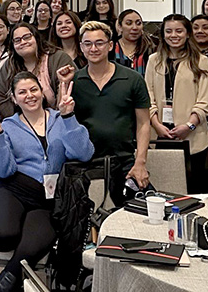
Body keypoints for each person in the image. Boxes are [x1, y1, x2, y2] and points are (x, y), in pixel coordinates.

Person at [0, 72, 94, 292]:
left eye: (33, 90)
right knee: (3, 238)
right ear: (14, 98)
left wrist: (69, 117)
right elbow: (3, 170)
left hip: (48, 200)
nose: (29, 96)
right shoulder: (8, 125)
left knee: (31, 246)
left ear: (42, 92)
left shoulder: (61, 119)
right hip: (12, 188)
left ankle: (0, 287)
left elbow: (84, 153)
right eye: (22, 92)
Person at [59, 21, 150, 204]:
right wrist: (63, 86)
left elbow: (144, 124)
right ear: (81, 47)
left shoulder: (132, 79)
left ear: (110, 46)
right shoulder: (73, 81)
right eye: (88, 44)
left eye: (99, 43)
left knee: (145, 211)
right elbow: (63, 122)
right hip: (84, 163)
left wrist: (140, 162)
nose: (93, 48)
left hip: (123, 161)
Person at [145, 15, 208, 192]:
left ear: (188, 33)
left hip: (193, 137)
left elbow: (204, 100)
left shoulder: (201, 61)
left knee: (193, 190)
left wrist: (189, 125)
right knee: (162, 190)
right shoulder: (154, 60)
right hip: (160, 134)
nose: (173, 35)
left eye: (179, 31)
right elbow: (148, 95)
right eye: (169, 31)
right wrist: (156, 124)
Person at [0, 23, 74, 118]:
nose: (23, 42)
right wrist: (19, 121)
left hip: (59, 119)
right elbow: (0, 97)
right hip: (23, 125)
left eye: (27, 37)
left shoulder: (58, 58)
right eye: (17, 40)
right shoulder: (9, 66)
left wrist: (63, 83)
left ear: (36, 38)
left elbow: (71, 94)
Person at [110, 9, 154, 76]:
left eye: (138, 23)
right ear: (120, 27)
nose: (135, 27)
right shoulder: (110, 48)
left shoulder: (151, 48)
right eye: (129, 23)